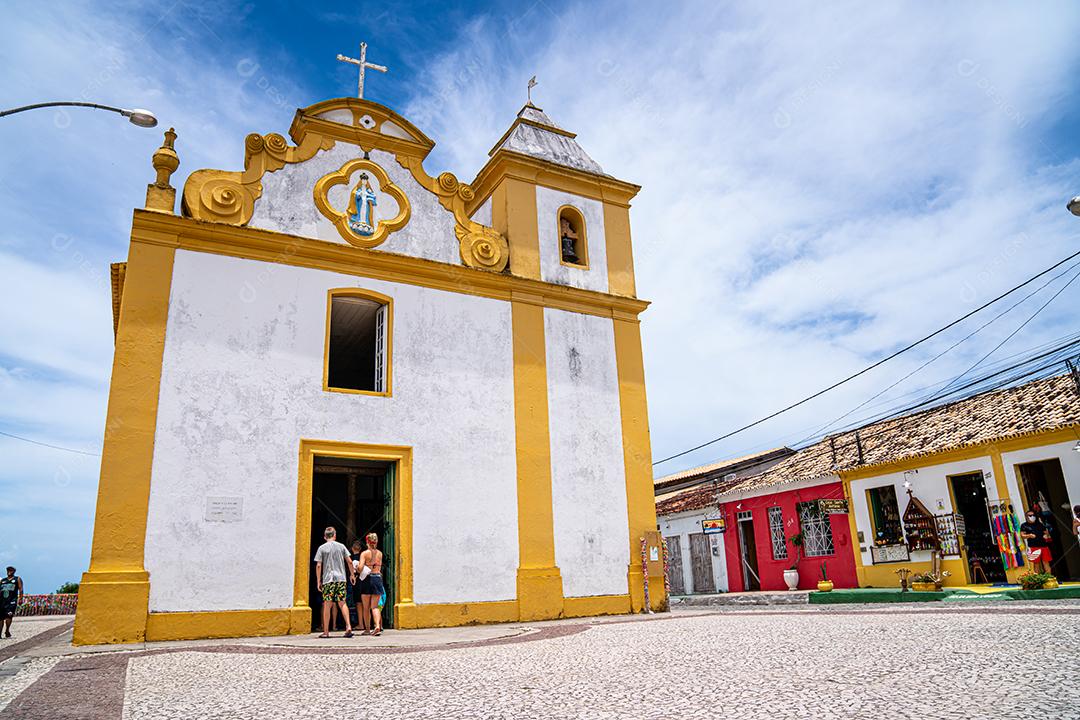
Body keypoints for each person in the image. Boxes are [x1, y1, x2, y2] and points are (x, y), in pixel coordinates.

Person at [314, 526, 354, 638]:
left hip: (328, 580)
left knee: (327, 604)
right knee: (342, 602)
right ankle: (348, 626)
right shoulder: (341, 546)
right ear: (335, 535)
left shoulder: (322, 548)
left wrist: (318, 581)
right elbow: (350, 562)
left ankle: (326, 631)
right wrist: (352, 575)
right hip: (341, 579)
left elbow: (318, 565)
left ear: (324, 536)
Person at [359, 532, 385, 636]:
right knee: (375, 607)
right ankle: (377, 626)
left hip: (367, 580)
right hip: (377, 578)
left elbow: (360, 568)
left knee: (366, 607)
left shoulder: (364, 553)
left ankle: (367, 629)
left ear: (367, 542)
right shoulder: (380, 553)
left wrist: (357, 567)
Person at [1020, 508, 1053, 574]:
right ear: (1026, 517)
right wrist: (1029, 535)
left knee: (1046, 562)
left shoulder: (1039, 524)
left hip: (1044, 546)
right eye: (1030, 516)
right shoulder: (1024, 525)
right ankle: (1037, 579)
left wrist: (1046, 535)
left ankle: (1049, 578)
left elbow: (1046, 533)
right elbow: (1022, 535)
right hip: (1033, 547)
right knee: (1036, 563)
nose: (1032, 517)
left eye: (1033, 515)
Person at [1, 567, 23, 639]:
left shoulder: (17, 579)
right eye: (8, 570)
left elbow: (21, 589)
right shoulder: (3, 580)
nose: (9, 571)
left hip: (12, 600)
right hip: (2, 600)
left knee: (9, 615)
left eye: (11, 570)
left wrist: (20, 598)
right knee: (1, 617)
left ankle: (7, 630)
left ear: (14, 571)